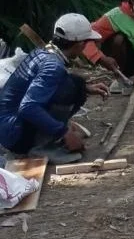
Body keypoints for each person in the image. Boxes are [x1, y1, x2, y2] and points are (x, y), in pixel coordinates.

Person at [0, 14, 110, 163]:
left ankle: (44, 139)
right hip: (16, 134)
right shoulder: (53, 66)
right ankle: (40, 147)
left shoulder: (42, 53)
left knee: (77, 84)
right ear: (79, 44)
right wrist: (63, 132)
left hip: (8, 127)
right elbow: (28, 107)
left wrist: (86, 88)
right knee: (71, 88)